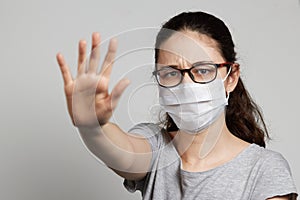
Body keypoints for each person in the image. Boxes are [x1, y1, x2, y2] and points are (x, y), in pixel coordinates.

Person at [56, 11, 298, 200]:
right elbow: (123, 154)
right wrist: (91, 126)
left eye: (203, 70)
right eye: (171, 73)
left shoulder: (264, 169)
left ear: (231, 76)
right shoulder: (155, 144)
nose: (186, 85)